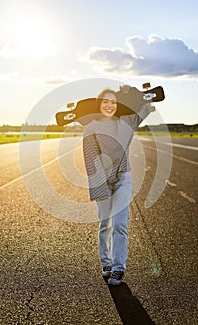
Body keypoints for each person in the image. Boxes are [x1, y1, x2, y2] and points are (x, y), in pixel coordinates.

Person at [83, 86, 154, 285]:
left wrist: (135, 93)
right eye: (105, 101)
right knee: (105, 224)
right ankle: (106, 264)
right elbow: (90, 159)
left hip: (123, 177)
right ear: (99, 104)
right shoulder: (91, 128)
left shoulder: (125, 122)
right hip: (101, 179)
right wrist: (100, 185)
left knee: (120, 224)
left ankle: (118, 268)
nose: (109, 105)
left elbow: (146, 108)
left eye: (113, 102)